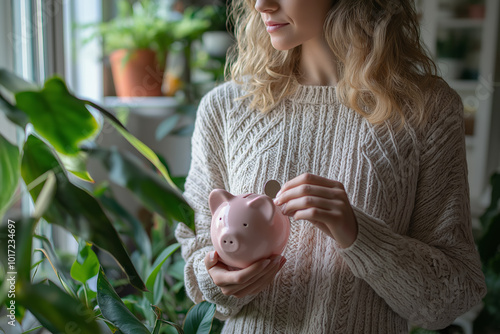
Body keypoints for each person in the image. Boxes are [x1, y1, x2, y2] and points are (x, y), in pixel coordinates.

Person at [175, 0, 487, 332]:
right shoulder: (225, 109)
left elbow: (451, 297)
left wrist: (359, 235)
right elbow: (199, 271)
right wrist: (219, 282)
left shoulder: (426, 109)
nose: (261, 4)